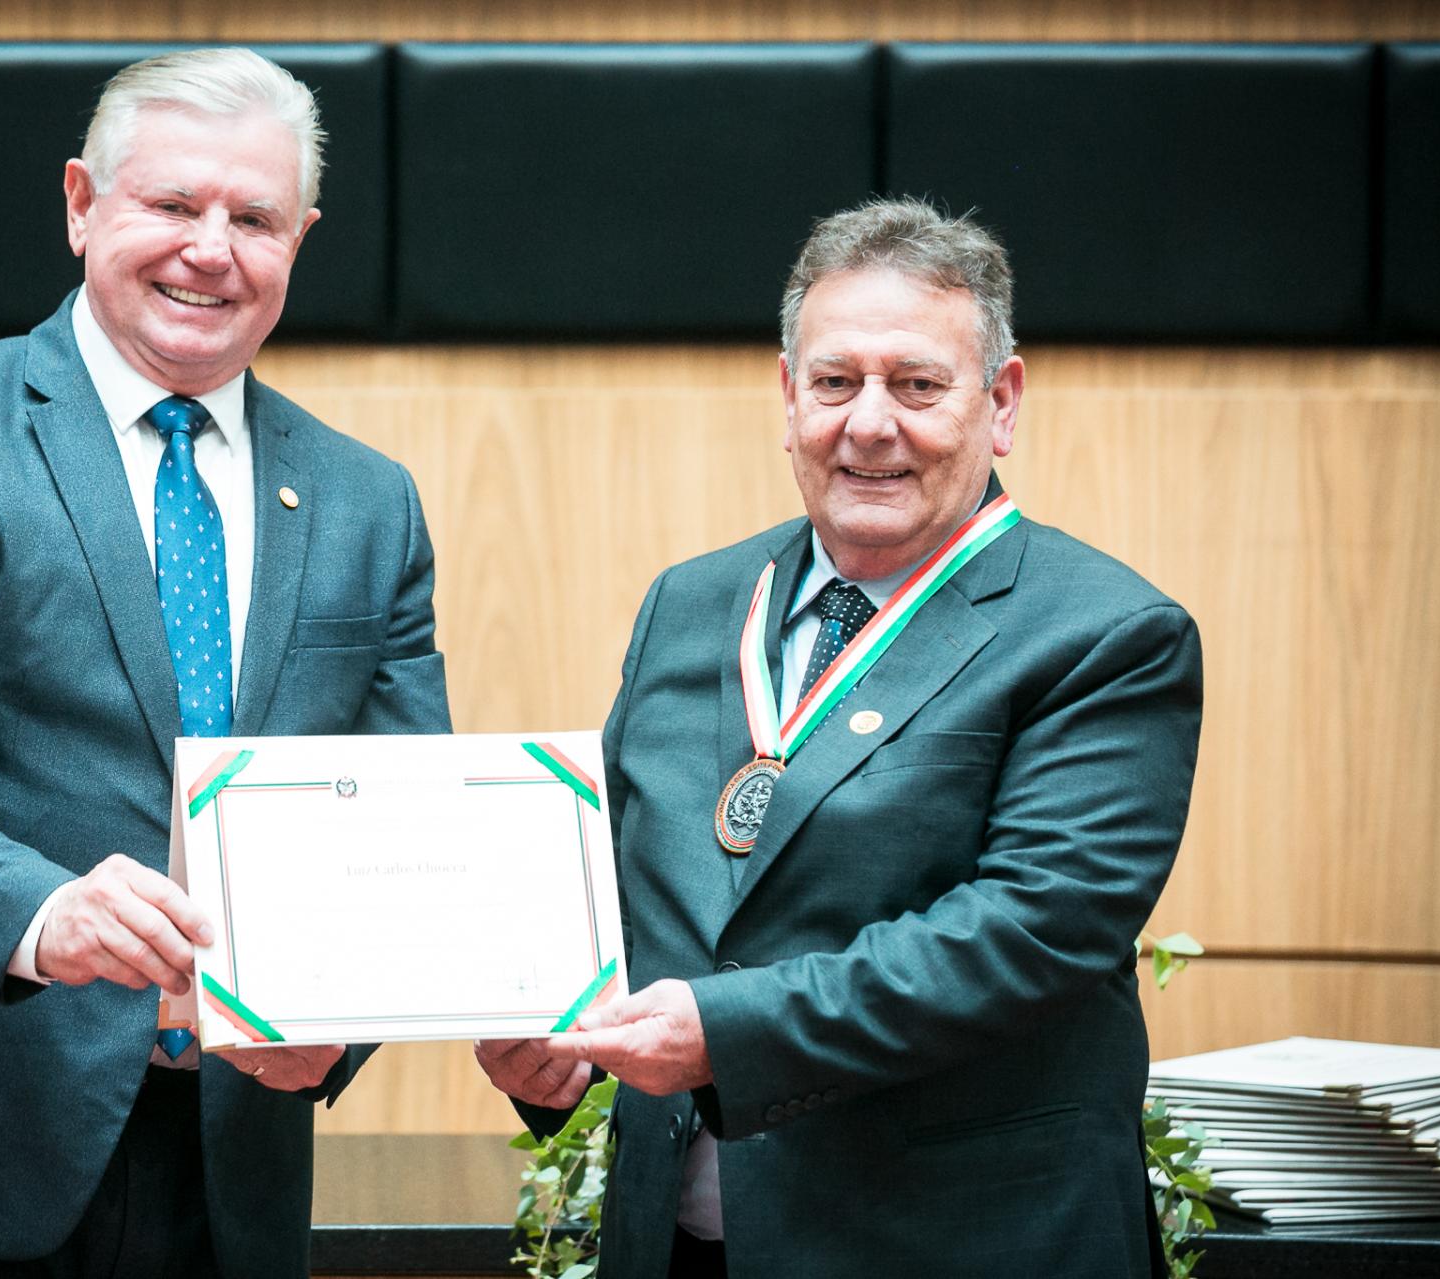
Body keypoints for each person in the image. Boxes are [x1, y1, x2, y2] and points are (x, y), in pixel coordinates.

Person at [0, 48, 450, 1277]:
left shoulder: (366, 499)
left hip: (232, 1175)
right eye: (171, 205)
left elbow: (402, 814)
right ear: (80, 205)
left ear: (302, 239)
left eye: (255, 219)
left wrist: (341, 1021)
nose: (211, 248)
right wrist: (42, 910)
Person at [477, 198, 1201, 1278]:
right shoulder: (692, 601)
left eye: (917, 384)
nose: (869, 423)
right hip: (674, 1247)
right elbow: (646, 901)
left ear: (1000, 402)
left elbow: (1028, 931)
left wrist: (724, 1031)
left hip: (954, 1247)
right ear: (787, 396)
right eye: (835, 381)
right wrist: (560, 1045)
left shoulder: (1103, 633)